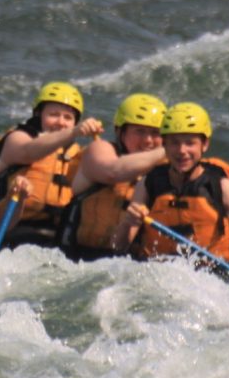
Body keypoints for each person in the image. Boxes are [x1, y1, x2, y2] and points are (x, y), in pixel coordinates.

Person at [112, 102, 229, 288]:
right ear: (164, 144)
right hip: (159, 277)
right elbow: (118, 246)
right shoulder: (148, 184)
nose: (182, 151)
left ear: (204, 144)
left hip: (215, 278)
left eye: (190, 143)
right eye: (174, 143)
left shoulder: (221, 186)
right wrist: (128, 222)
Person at [0, 81, 103, 250]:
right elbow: (27, 152)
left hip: (56, 242)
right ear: (38, 114)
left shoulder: (77, 155)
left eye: (68, 118)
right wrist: (74, 132)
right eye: (54, 114)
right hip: (8, 234)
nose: (61, 122)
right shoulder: (17, 138)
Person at [60, 92, 168, 261]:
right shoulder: (98, 150)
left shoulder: (167, 170)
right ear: (120, 132)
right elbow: (113, 172)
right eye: (139, 131)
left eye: (156, 133)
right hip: (78, 259)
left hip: (130, 265)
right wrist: (168, 149)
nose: (148, 140)